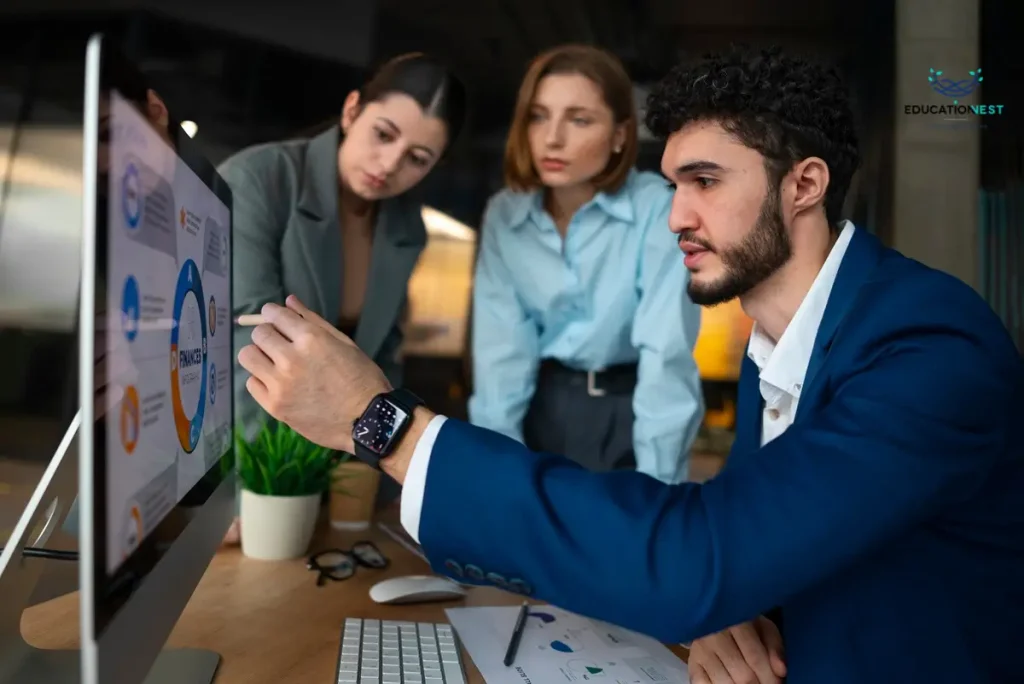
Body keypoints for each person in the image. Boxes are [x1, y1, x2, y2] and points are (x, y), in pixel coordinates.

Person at [236, 46, 1024, 684]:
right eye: (676, 183)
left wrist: (389, 428)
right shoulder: (779, 341)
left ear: (805, 186)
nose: (676, 214)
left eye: (706, 183)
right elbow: (763, 535)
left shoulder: (927, 348)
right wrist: (732, 596)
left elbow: (703, 552)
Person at [218, 52, 467, 542]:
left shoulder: (406, 228)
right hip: (241, 457)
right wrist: (269, 486)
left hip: (337, 466)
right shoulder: (258, 180)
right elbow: (247, 348)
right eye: (383, 133)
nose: (390, 164)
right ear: (352, 110)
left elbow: (384, 360)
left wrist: (381, 469)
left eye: (418, 158)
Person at [468, 44, 703, 483]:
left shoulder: (659, 210)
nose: (552, 138)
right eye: (539, 116)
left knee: (624, 540)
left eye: (580, 120)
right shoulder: (505, 213)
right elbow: (501, 357)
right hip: (540, 403)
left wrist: (658, 487)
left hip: (631, 409)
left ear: (619, 135)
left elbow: (666, 356)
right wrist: (497, 475)